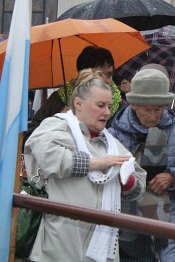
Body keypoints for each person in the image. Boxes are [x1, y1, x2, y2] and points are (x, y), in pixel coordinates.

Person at [24, 70, 146, 262]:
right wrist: (97, 163)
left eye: (108, 105)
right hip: (57, 247)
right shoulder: (55, 126)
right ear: (78, 104)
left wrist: (126, 180)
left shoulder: (111, 142)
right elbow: (49, 158)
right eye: (100, 105)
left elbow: (138, 184)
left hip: (100, 250)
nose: (107, 112)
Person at [110, 68, 175, 262]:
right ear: (134, 104)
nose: (153, 115)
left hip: (171, 223)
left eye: (158, 109)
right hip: (128, 226)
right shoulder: (115, 134)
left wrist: (173, 177)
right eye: (147, 109)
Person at [28, 46, 123, 136]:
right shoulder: (59, 99)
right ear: (83, 73)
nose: (105, 80)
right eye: (99, 74)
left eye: (109, 75)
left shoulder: (120, 105)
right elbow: (32, 134)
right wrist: (58, 123)